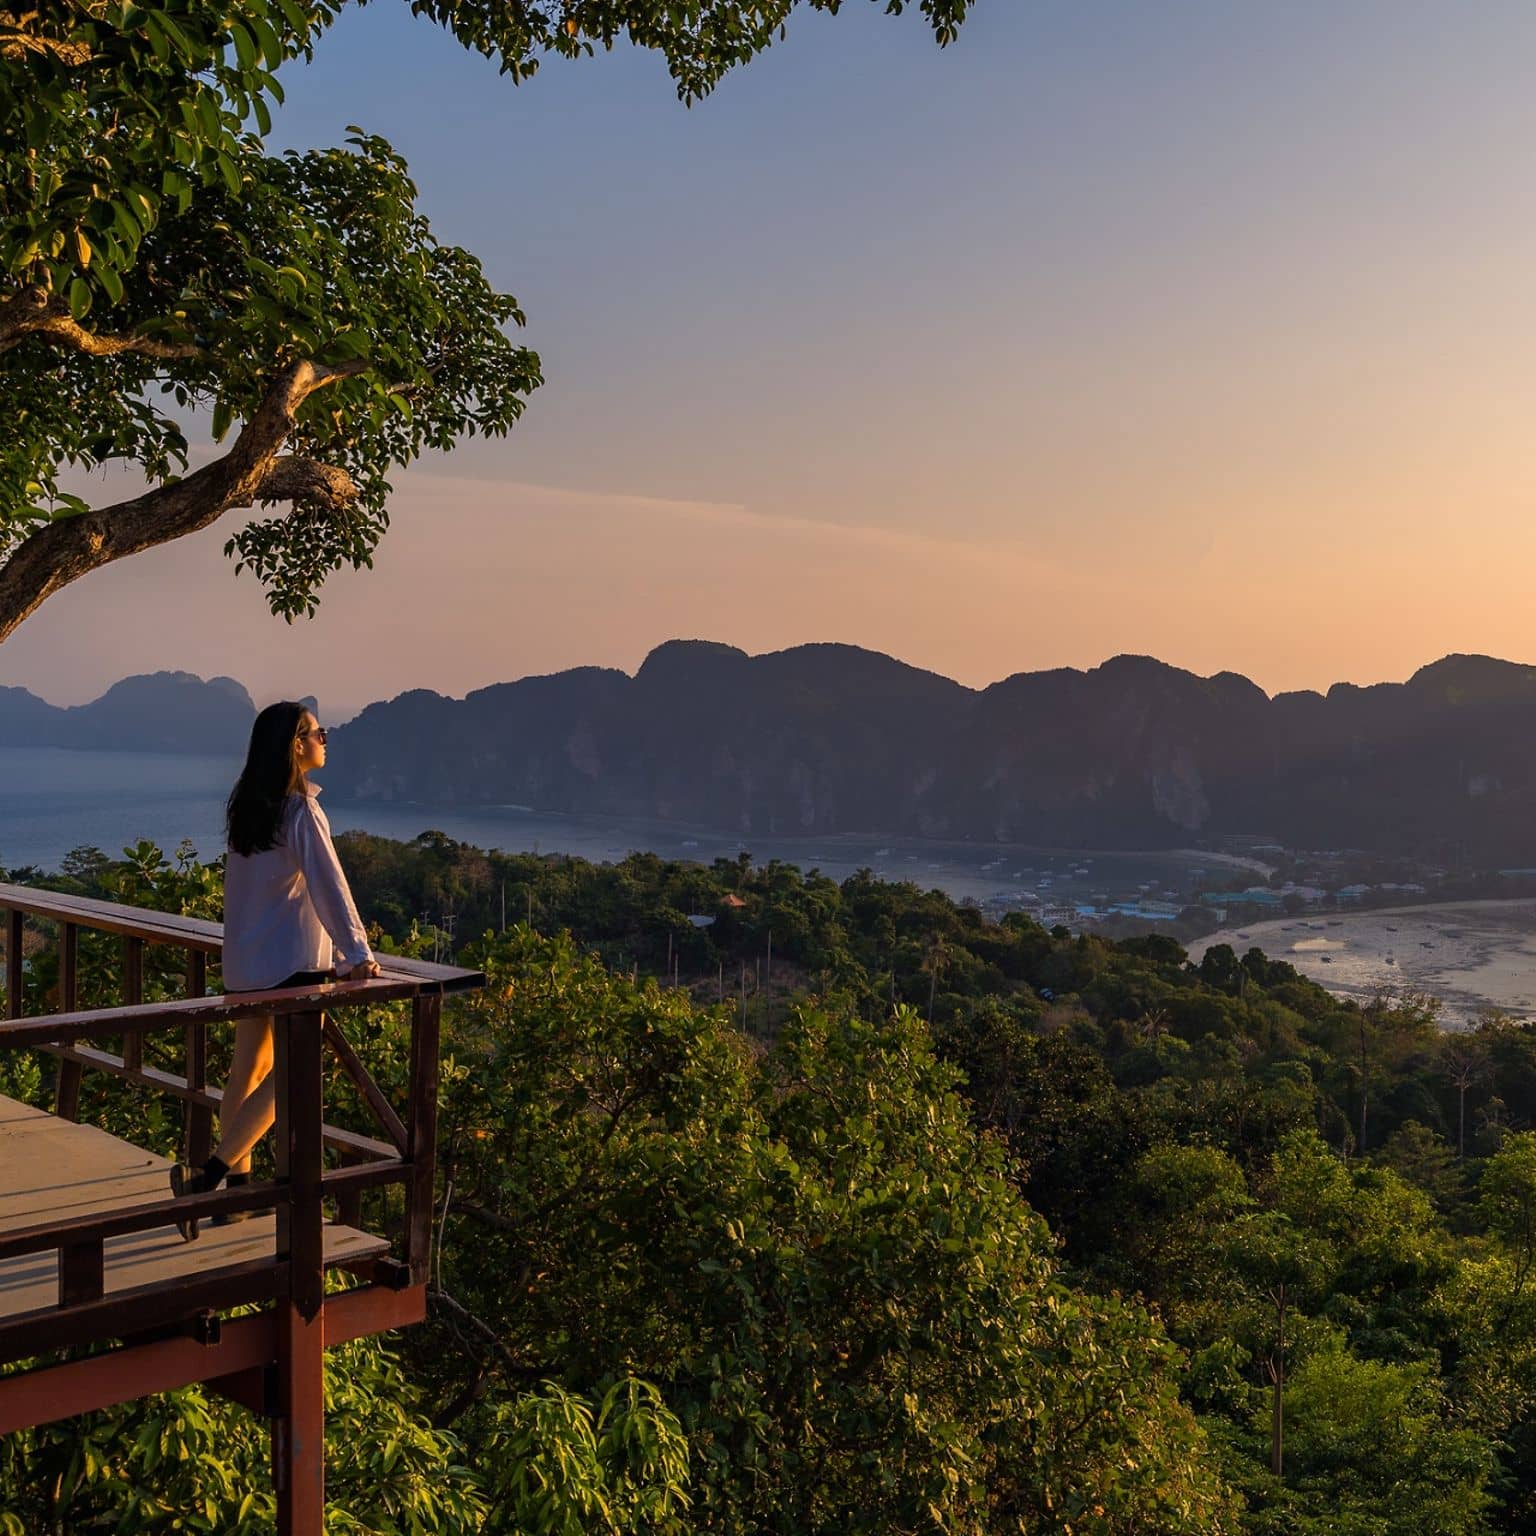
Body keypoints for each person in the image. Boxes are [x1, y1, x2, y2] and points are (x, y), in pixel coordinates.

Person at [170, 701, 380, 1239]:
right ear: (295, 743)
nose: (325, 740)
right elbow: (329, 886)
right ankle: (209, 1177)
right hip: (291, 964)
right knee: (292, 1076)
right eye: (317, 732)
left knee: (248, 1071)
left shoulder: (250, 811)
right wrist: (356, 954)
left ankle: (235, 1197)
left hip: (246, 962)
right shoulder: (300, 812)